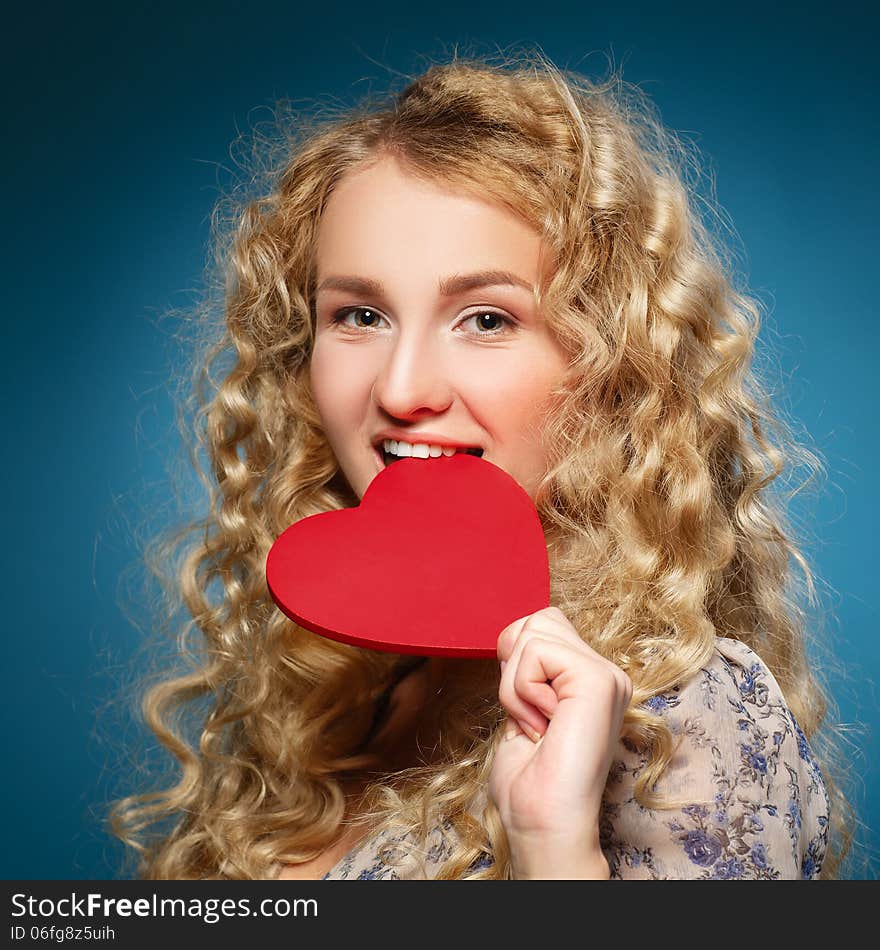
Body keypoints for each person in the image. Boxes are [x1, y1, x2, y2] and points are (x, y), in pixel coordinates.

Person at [110, 50, 851, 880]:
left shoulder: (686, 719)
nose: (401, 388)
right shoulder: (341, 699)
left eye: (487, 319)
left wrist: (551, 846)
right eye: (359, 314)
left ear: (613, 364)